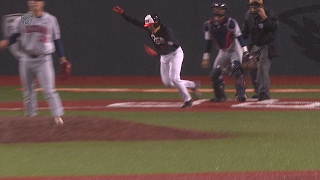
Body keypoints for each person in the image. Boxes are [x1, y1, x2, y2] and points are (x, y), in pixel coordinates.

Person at [113, 6, 200, 108]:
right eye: (148, 26)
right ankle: (193, 85)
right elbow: (135, 21)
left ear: (157, 23)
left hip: (175, 54)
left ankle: (188, 100)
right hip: (164, 56)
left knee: (175, 78)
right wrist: (123, 13)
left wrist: (156, 53)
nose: (149, 28)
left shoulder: (167, 31)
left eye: (151, 25)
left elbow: (168, 48)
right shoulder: (149, 28)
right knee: (168, 83)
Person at [0, 0, 69, 125]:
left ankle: (58, 116)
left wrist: (62, 58)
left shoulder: (50, 19)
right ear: (28, 3)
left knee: (49, 90)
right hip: (26, 58)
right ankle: (31, 118)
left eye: (37, 1)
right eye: (32, 1)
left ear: (42, 3)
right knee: (28, 91)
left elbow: (57, 40)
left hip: (44, 59)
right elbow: (15, 36)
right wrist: (6, 42)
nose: (34, 3)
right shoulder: (26, 18)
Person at [201, 1, 250, 103]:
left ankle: (241, 93)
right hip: (223, 51)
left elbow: (239, 37)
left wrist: (246, 52)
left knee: (236, 68)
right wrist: (206, 57)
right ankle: (220, 96)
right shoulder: (208, 25)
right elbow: (208, 42)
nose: (218, 11)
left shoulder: (230, 22)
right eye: (216, 8)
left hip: (234, 49)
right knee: (214, 74)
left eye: (221, 9)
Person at [242, 0, 279, 101]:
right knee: (252, 69)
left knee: (262, 67)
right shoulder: (248, 15)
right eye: (252, 5)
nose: (254, 7)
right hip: (255, 45)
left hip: (267, 45)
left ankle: (264, 93)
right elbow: (245, 33)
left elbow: (274, 27)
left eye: (257, 5)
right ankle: (259, 91)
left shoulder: (270, 13)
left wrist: (265, 18)